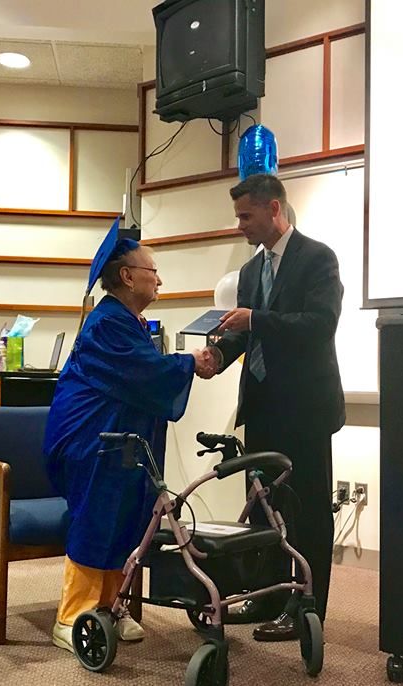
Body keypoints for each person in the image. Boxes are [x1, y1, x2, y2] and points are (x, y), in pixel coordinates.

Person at [43, 231, 211, 653]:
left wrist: (181, 364)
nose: (160, 281)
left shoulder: (126, 320)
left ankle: (110, 609)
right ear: (127, 277)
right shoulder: (108, 322)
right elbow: (144, 372)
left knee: (126, 521)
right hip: (92, 442)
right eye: (153, 272)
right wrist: (190, 360)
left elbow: (147, 373)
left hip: (121, 441)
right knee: (99, 519)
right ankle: (72, 615)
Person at [200, 173, 344, 641]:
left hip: (305, 411)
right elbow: (246, 335)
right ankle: (265, 596)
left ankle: (306, 610)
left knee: (308, 514)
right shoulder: (249, 271)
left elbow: (318, 325)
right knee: (263, 510)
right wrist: (218, 356)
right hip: (260, 408)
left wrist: (256, 318)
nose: (240, 225)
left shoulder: (318, 258)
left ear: (274, 209)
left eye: (246, 216)